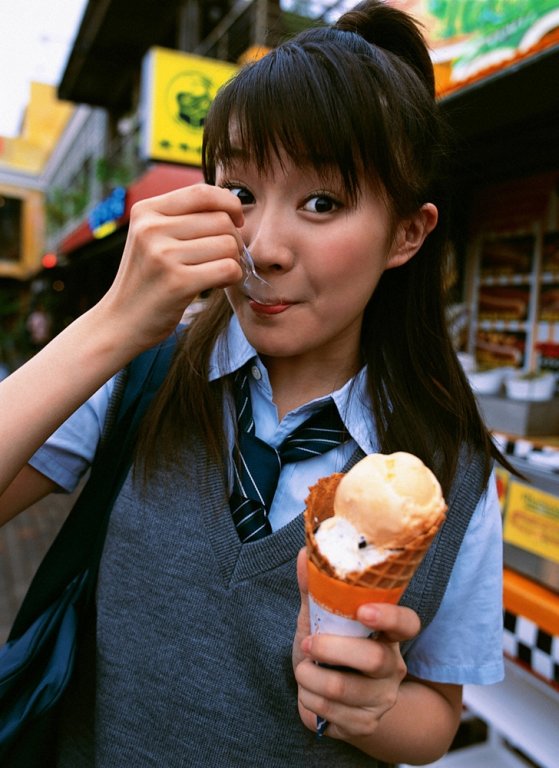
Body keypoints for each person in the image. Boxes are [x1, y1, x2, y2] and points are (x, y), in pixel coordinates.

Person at [0, 2, 506, 765]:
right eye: (239, 191)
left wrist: (368, 706)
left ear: (407, 233)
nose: (262, 247)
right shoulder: (143, 374)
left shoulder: (449, 470)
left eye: (321, 202)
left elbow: (436, 713)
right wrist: (112, 324)